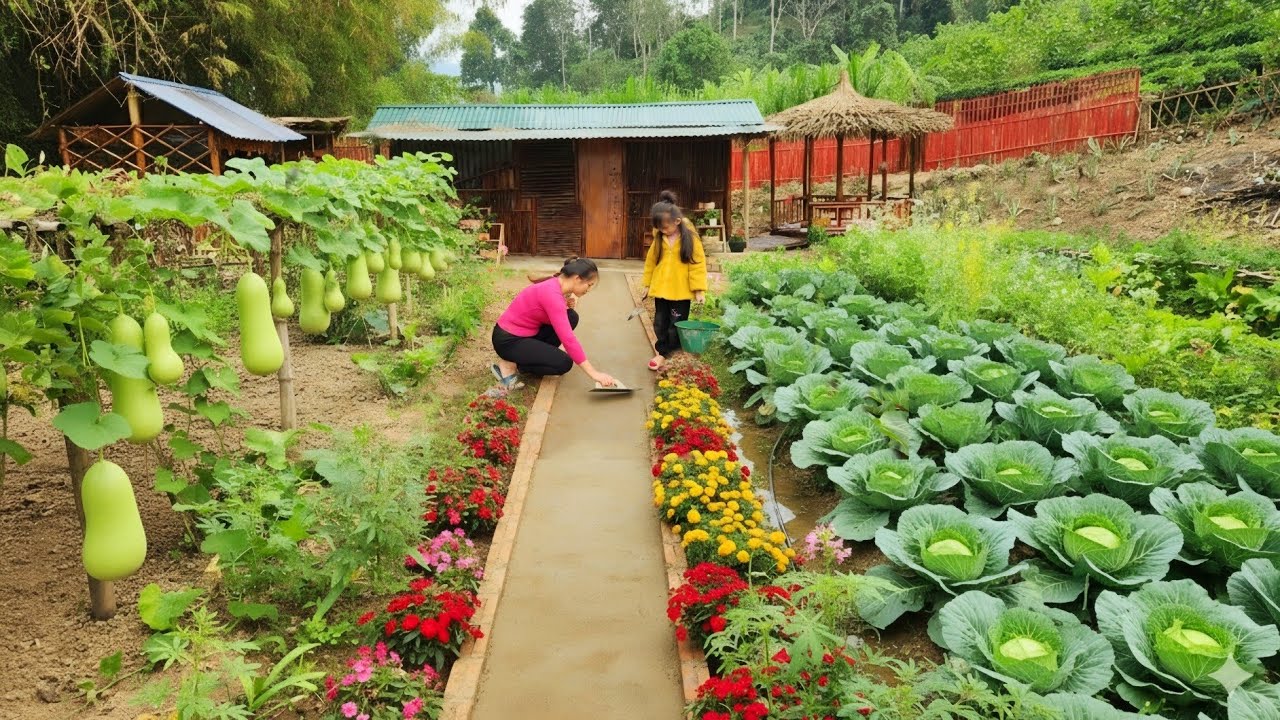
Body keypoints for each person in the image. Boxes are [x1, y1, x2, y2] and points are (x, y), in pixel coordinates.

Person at [491, 257, 618, 388]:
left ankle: (526, 358)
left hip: (525, 334)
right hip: (508, 341)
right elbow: (568, 340)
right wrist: (594, 374)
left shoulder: (554, 285)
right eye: (589, 285)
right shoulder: (551, 294)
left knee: (571, 316)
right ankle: (510, 364)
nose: (589, 289)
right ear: (577, 279)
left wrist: (564, 304)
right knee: (563, 363)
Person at [641, 190, 708, 370]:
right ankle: (662, 353)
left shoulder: (690, 239)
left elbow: (697, 264)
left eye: (665, 228)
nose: (662, 231)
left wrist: (699, 290)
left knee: (675, 325)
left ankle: (673, 354)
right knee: (660, 323)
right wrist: (647, 284)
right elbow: (651, 262)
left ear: (677, 221)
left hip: (681, 292)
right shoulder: (659, 238)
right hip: (661, 290)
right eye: (659, 228)